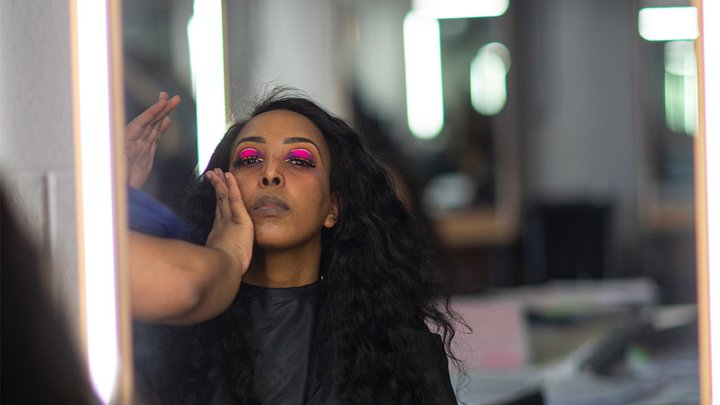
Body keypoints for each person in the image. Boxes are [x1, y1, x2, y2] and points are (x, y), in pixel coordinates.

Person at [128, 88, 462, 404]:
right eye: (249, 158)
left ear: (333, 207)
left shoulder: (401, 350)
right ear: (221, 190)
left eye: (299, 160)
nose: (270, 173)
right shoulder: (169, 340)